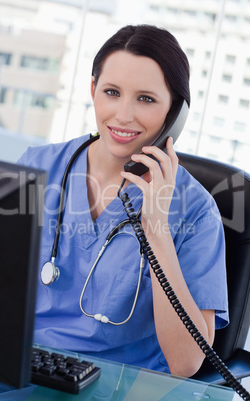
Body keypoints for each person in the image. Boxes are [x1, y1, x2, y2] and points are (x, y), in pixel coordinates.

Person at [17, 24, 229, 378]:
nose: (123, 115)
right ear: (93, 90)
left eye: (146, 99)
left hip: (118, 387)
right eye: (112, 92)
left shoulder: (195, 211)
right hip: (20, 370)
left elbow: (186, 363)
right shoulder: (36, 168)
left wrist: (158, 229)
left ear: (175, 113)